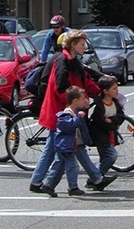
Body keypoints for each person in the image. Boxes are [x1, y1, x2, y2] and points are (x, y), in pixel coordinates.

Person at [29, 29, 117, 194]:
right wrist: (77, 103)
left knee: (59, 148)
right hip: (61, 113)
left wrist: (99, 92)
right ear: (73, 45)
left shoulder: (73, 60)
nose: (84, 47)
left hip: (65, 112)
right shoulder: (62, 61)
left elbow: (85, 80)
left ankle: (39, 182)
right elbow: (60, 88)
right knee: (72, 147)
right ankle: (92, 180)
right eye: (82, 44)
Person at [39, 86, 92, 197]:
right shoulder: (66, 113)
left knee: (59, 166)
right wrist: (78, 118)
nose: (84, 101)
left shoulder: (75, 112)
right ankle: (73, 187)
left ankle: (48, 185)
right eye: (82, 99)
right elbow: (67, 126)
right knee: (73, 166)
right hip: (65, 145)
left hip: (67, 145)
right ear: (75, 101)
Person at [89, 75, 124, 176]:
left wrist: (112, 121)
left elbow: (121, 115)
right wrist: (113, 125)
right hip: (101, 136)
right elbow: (99, 121)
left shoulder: (115, 102)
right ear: (105, 91)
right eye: (114, 89)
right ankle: (96, 175)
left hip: (111, 135)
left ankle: (97, 178)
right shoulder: (99, 106)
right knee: (112, 155)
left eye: (117, 88)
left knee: (104, 157)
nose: (117, 90)